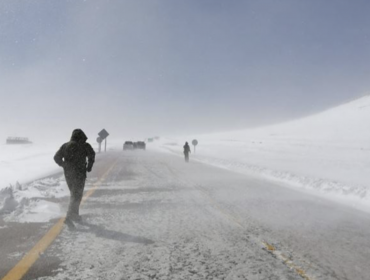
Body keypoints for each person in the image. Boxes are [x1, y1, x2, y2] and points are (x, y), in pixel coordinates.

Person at [54, 129, 95, 226]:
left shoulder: (65, 146)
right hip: (80, 173)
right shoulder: (84, 145)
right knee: (76, 195)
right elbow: (92, 154)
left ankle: (75, 215)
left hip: (68, 174)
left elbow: (56, 157)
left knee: (74, 193)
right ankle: (69, 216)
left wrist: (64, 165)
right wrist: (89, 166)